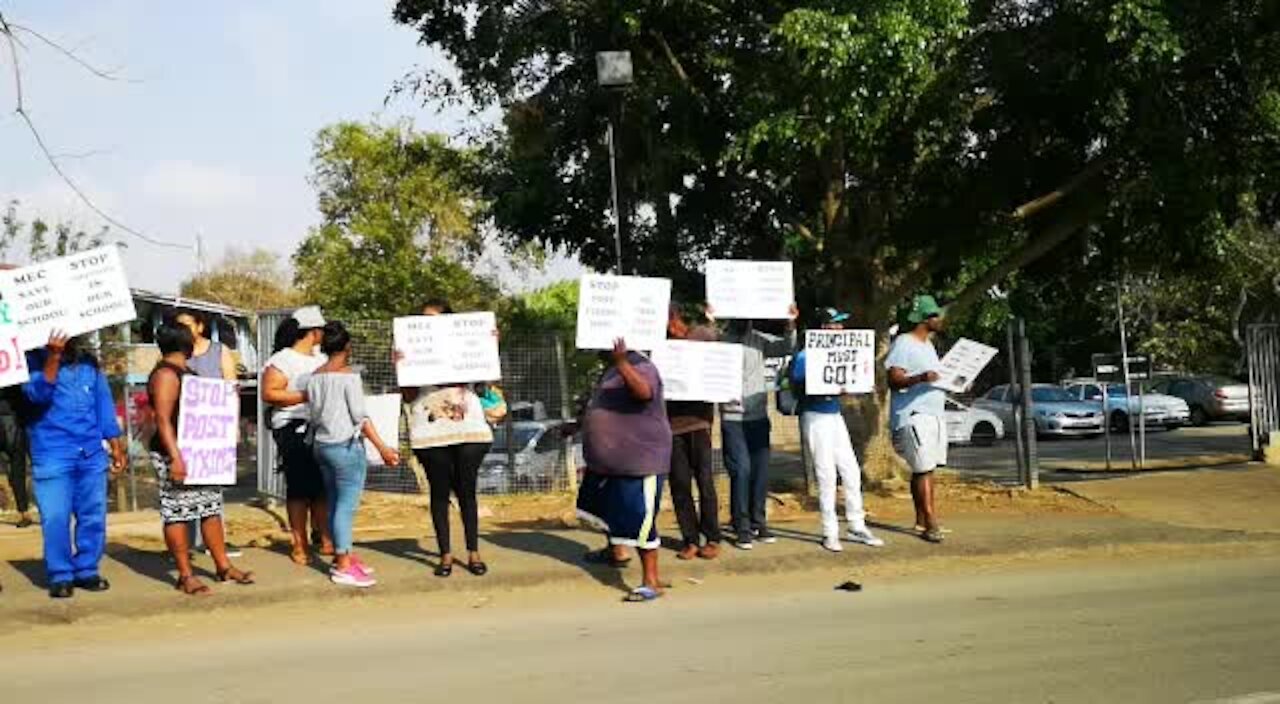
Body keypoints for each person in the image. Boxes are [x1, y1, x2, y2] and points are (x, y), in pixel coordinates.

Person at [147, 322, 254, 595]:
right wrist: (176, 457)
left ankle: (223, 566)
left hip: (200, 453)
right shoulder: (166, 375)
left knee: (210, 508)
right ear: (186, 345)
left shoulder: (187, 372)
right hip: (176, 454)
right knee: (178, 512)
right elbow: (162, 419)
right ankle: (185, 574)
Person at [23, 331, 127, 598]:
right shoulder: (31, 359)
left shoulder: (89, 363)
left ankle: (86, 570)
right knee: (55, 518)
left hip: (91, 453)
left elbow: (103, 405)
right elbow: (36, 394)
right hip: (53, 452)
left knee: (93, 515)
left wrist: (116, 446)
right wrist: (54, 356)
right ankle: (60, 575)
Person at [402, 299, 502, 578]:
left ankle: (473, 552)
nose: (427, 324)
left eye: (434, 319)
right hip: (430, 432)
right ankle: (445, 555)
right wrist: (402, 366)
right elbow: (409, 396)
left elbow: (487, 374)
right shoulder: (413, 347)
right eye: (423, 319)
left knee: (467, 491)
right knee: (439, 493)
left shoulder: (463, 343)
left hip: (468, 428)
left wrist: (489, 346)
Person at [574, 338, 671, 602]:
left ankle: (651, 581)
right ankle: (615, 552)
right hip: (608, 464)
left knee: (640, 520)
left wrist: (622, 362)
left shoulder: (642, 365)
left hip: (639, 462)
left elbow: (643, 392)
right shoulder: (611, 370)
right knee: (607, 511)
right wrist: (576, 426)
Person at [307, 321, 401, 588]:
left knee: (335, 503)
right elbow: (360, 417)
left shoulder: (315, 375)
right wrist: (382, 447)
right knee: (345, 507)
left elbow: (314, 414)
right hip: (345, 447)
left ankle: (344, 556)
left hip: (322, 446)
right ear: (347, 346)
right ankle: (343, 566)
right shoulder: (348, 376)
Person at [791, 308, 884, 553]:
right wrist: (826, 385)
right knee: (826, 474)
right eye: (834, 324)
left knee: (851, 470)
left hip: (833, 415)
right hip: (815, 416)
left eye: (841, 325)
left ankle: (856, 523)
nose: (840, 329)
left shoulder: (840, 353)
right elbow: (799, 385)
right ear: (823, 328)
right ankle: (830, 532)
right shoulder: (805, 355)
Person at [711, 303, 798, 550]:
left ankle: (759, 522)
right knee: (742, 471)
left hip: (758, 416)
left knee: (760, 472)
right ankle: (742, 525)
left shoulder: (759, 340)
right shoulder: (721, 342)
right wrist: (709, 320)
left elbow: (786, 346)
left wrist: (790, 322)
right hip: (733, 417)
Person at [262, 306, 332, 564]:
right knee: (300, 487)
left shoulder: (322, 359)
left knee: (321, 487)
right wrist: (306, 395)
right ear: (313, 332)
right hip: (292, 426)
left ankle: (325, 537)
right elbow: (270, 393)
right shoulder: (283, 359)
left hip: (321, 426)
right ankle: (299, 543)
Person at [171, 308, 242, 558]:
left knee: (212, 490)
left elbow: (231, 388)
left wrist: (232, 427)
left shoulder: (219, 350)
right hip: (185, 432)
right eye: (178, 325)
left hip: (214, 432)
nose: (184, 330)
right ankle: (186, 544)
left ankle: (214, 543)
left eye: (187, 324)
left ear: (200, 326)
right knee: (184, 490)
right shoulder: (176, 355)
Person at [886, 294, 948, 544]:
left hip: (934, 413)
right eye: (935, 315)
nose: (939, 319)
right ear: (924, 319)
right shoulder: (904, 342)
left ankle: (921, 519)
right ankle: (931, 522)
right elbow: (893, 379)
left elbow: (936, 377)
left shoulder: (928, 345)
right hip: (914, 415)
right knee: (924, 469)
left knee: (925, 468)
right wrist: (920, 378)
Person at [665, 304, 721, 560]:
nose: (668, 328)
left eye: (670, 321)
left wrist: (713, 318)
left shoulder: (700, 336)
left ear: (678, 318)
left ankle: (712, 538)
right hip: (672, 426)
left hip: (699, 423)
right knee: (679, 485)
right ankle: (690, 540)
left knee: (705, 482)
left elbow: (720, 343)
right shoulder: (659, 347)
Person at [1, 385, 32, 529]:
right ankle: (24, 511)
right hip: (13, 419)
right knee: (16, 468)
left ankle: (24, 512)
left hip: (14, 419)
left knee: (17, 469)